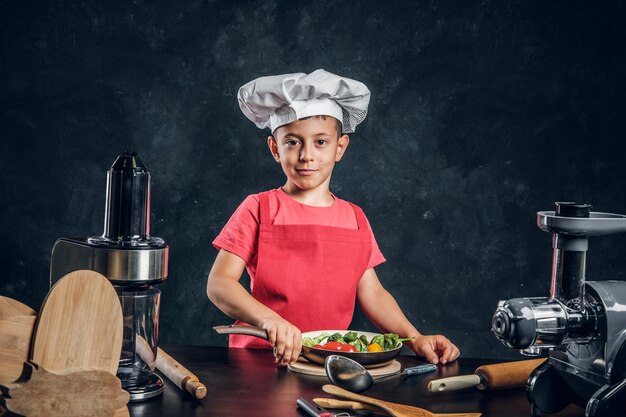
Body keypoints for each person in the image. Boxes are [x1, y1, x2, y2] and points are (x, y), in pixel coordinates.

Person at [207, 69, 460, 366]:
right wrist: (269, 320)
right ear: (275, 148)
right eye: (292, 142)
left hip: (330, 361)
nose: (306, 156)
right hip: (259, 360)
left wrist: (415, 338)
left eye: (320, 142)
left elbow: (373, 293)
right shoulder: (258, 208)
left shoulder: (354, 218)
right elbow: (220, 284)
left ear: (340, 147)